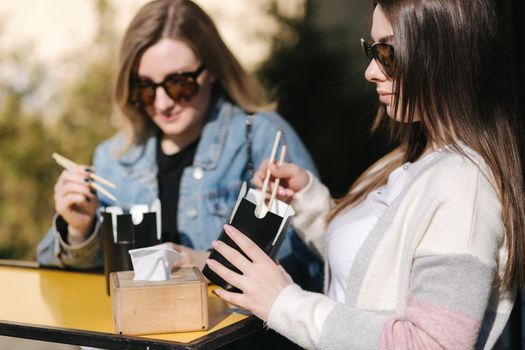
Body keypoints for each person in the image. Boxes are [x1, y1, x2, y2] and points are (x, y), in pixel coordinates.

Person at [205, 0, 525, 348]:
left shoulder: (466, 186)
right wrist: (308, 201)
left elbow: (429, 343)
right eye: (370, 50)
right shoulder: (411, 158)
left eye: (388, 52)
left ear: (446, 52)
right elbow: (372, 272)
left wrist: (284, 303)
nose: (370, 71)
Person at [37, 0, 322, 291]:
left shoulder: (262, 137)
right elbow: (70, 273)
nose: (162, 104)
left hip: (228, 335)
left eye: (179, 84)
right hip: (138, 331)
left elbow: (312, 263)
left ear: (210, 69)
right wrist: (78, 229)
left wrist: (209, 264)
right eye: (145, 88)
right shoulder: (113, 158)